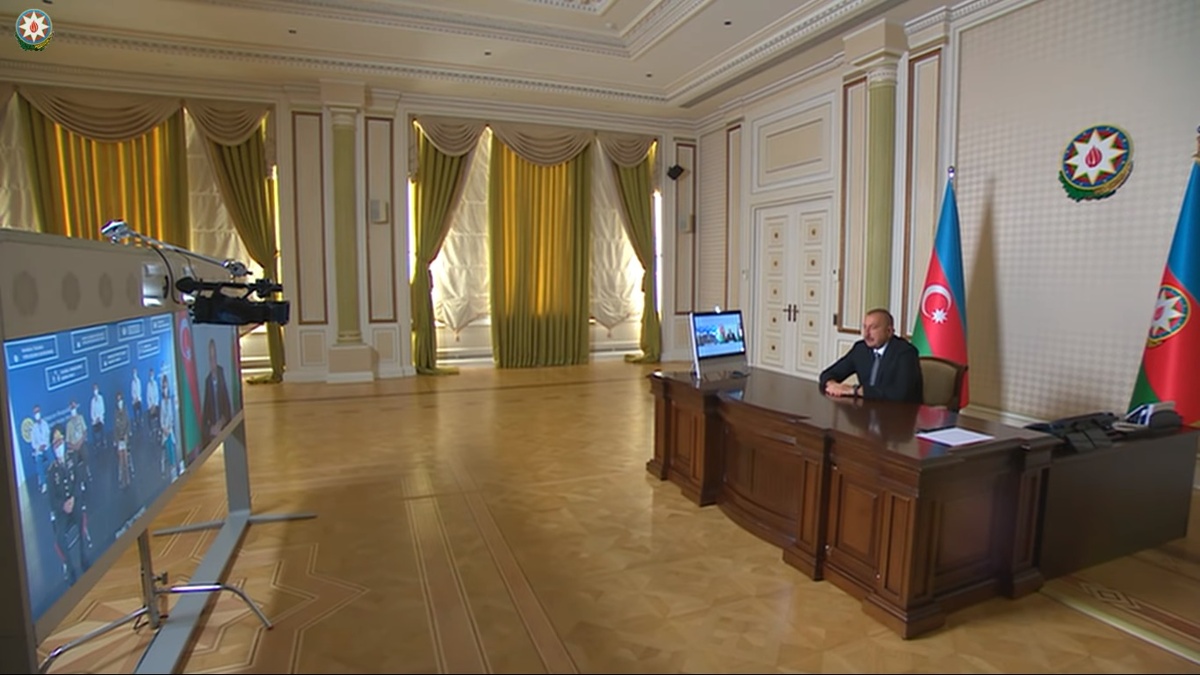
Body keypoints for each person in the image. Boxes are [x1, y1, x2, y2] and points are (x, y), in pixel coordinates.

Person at [818, 308, 923, 403]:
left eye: (873, 328)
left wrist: (855, 390)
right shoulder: (860, 349)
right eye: (865, 327)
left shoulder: (906, 353)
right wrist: (832, 384)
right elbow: (828, 374)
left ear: (889, 331)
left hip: (900, 414)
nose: (866, 334)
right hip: (867, 410)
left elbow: (900, 394)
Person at [201, 338, 233, 447]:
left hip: (224, 426)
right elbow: (205, 415)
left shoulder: (222, 374)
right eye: (210, 359)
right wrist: (211, 429)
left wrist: (221, 424)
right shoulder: (208, 381)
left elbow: (228, 410)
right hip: (214, 430)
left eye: (214, 358)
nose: (213, 362)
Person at [114, 392, 132, 489]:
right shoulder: (115, 413)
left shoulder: (125, 410)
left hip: (125, 438)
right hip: (119, 439)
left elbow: (128, 424)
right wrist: (117, 440)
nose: (119, 401)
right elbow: (115, 428)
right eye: (118, 400)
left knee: (125, 459)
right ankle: (122, 480)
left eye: (120, 399)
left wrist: (126, 435)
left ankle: (127, 479)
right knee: (121, 461)